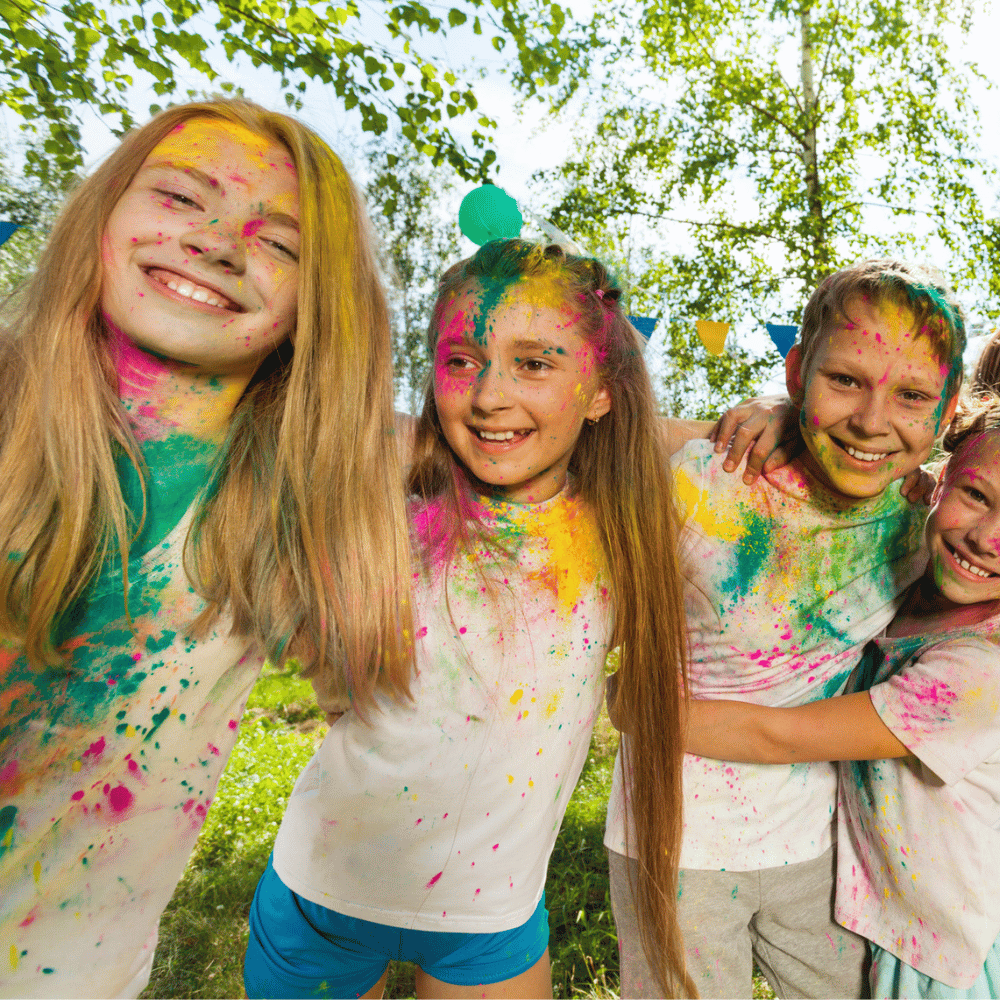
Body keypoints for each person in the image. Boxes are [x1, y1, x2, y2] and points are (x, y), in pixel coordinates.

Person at [0, 100, 412, 999]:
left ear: (313, 307)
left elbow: (553, 436)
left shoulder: (299, 479)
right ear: (104, 209)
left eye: (280, 243)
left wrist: (727, 429)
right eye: (182, 197)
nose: (219, 243)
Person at [243, 239, 698, 999]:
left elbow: (697, 445)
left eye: (535, 363)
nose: (489, 396)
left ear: (602, 393)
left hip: (490, 917)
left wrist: (754, 419)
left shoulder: (626, 532)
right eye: (462, 361)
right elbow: (297, 419)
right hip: (323, 892)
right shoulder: (391, 504)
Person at [605, 259, 967, 999]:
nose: (873, 421)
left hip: (824, 852)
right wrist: (767, 414)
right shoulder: (707, 483)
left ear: (947, 407)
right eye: (845, 380)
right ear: (799, 372)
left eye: (911, 396)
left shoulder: (925, 521)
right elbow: (603, 442)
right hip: (672, 846)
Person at [685, 393, 1000, 999]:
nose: (987, 537)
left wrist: (638, 707)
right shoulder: (916, 570)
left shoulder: (981, 672)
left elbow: (778, 736)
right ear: (939, 481)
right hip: (882, 923)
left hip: (945, 959)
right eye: (976, 495)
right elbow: (868, 459)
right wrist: (793, 422)